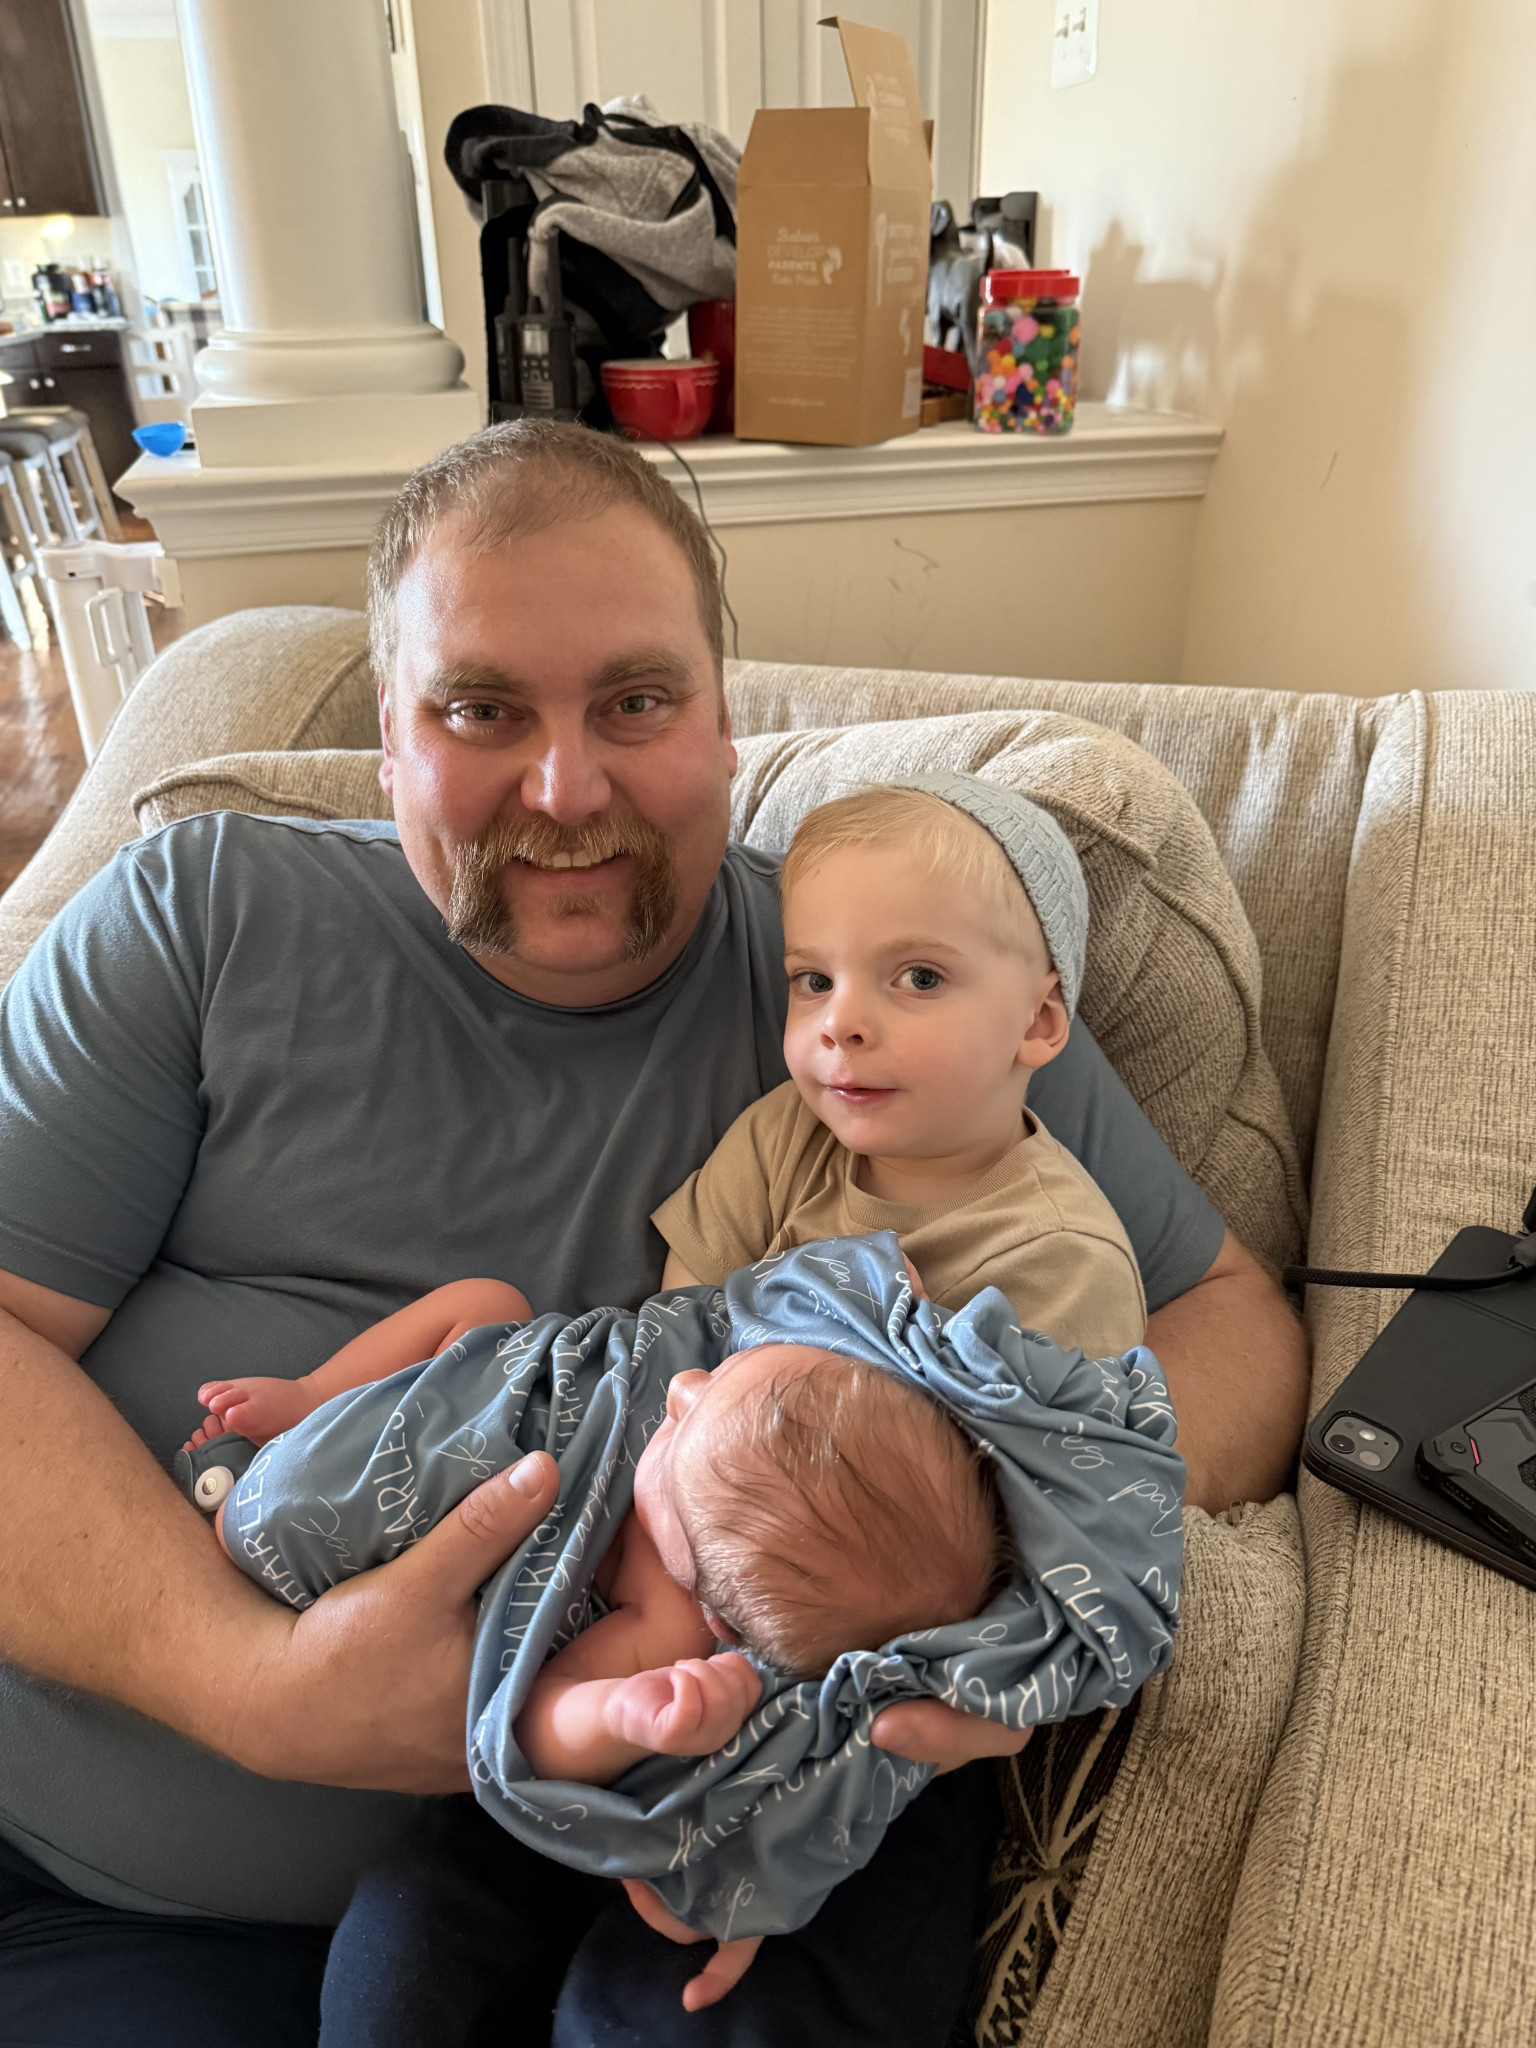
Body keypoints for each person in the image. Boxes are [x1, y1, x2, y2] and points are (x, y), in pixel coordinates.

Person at [0, 417, 1309, 2047]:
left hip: (618, 1918)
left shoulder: (869, 1001)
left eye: (634, 702)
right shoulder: (201, 915)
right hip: (85, 1897)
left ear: (723, 719)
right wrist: (253, 1691)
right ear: (388, 737)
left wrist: (959, 1611)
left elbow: (1233, 1327)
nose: (567, 789)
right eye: (481, 709)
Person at [655, 776, 1146, 1356]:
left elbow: (1034, 1419)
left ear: (1037, 1021)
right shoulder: (782, 1137)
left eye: (920, 978)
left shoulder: (1063, 1262)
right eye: (816, 981)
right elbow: (676, 1331)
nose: (839, 1023)